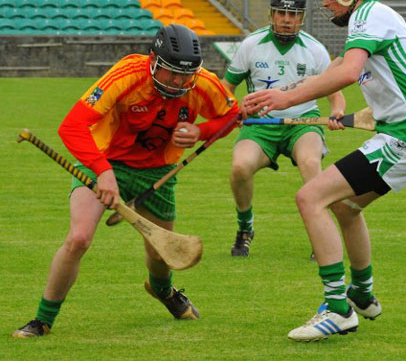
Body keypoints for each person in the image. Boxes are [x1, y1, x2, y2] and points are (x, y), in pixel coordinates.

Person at [241, 0, 406, 342]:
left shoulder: (369, 15)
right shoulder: (367, 23)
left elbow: (348, 73)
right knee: (345, 207)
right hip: (405, 134)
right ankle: (361, 294)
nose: (325, 3)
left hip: (405, 136)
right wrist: (273, 97)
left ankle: (337, 308)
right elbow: (329, 73)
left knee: (310, 197)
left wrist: (283, 98)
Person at [12, 24, 239, 338]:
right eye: (171, 73)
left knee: (161, 255)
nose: (179, 82)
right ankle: (42, 320)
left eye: (185, 75)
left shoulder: (202, 83)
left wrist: (202, 131)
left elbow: (231, 114)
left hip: (158, 170)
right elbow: (72, 126)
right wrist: (103, 171)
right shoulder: (128, 75)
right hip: (102, 160)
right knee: (78, 239)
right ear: (153, 61)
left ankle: (163, 291)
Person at [222, 0, 346, 258]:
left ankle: (319, 234)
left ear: (301, 18)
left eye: (293, 15)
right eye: (281, 13)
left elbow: (335, 96)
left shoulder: (315, 50)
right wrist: (233, 112)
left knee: (311, 163)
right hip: (260, 126)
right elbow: (225, 91)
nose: (287, 20)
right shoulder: (252, 45)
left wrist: (337, 113)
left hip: (303, 123)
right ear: (272, 14)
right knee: (240, 167)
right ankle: (245, 228)